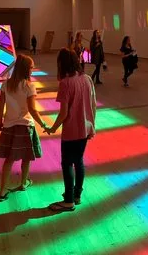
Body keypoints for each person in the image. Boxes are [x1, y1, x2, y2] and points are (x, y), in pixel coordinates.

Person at [45, 48, 97, 212]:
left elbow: (64, 113)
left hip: (71, 131)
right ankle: (77, 195)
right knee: (79, 161)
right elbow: (93, 105)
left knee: (67, 163)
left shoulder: (66, 83)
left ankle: (68, 201)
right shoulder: (87, 79)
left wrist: (52, 128)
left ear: (62, 63)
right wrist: (92, 126)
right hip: (86, 127)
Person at [0, 54, 47, 201]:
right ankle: (23, 183)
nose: (33, 69)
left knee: (9, 159)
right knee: (26, 158)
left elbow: (0, 106)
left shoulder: (6, 84)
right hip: (25, 126)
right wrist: (43, 124)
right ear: (25, 69)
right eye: (31, 67)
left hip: (9, 126)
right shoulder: (29, 86)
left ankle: (2, 190)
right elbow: (32, 109)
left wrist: (0, 121)